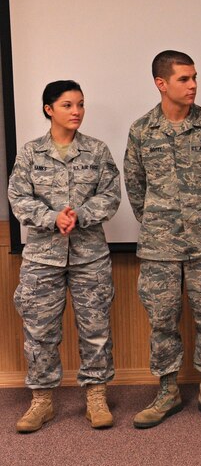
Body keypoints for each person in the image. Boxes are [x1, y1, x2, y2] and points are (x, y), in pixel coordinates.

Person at [124, 50, 201, 428]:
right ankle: (168, 390)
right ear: (161, 83)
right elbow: (135, 187)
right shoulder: (142, 130)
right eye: (184, 79)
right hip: (159, 245)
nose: (193, 85)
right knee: (162, 319)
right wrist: (158, 222)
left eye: (194, 77)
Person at [8, 80, 120, 432]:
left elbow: (111, 195)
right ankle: (42, 402)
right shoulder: (30, 153)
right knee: (40, 332)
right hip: (43, 258)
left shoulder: (97, 151)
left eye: (81, 105)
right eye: (68, 105)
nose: (77, 112)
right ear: (49, 109)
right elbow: (18, 198)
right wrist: (51, 218)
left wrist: (80, 215)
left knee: (96, 329)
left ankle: (96, 397)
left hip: (90, 256)